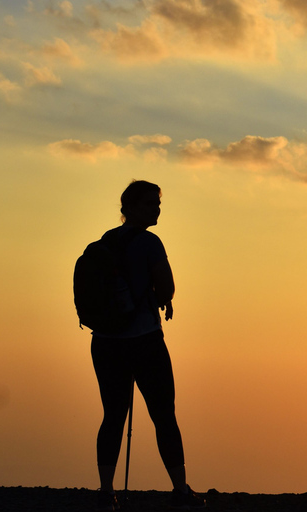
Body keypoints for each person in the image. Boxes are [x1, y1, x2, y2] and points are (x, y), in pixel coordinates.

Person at [89, 180, 205, 511]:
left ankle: (105, 491)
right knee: (163, 414)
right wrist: (160, 298)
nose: (156, 209)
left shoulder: (105, 242)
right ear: (131, 207)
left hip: (105, 342)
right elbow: (166, 288)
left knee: (112, 416)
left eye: (157, 203)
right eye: (150, 204)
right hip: (144, 341)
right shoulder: (150, 243)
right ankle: (180, 490)